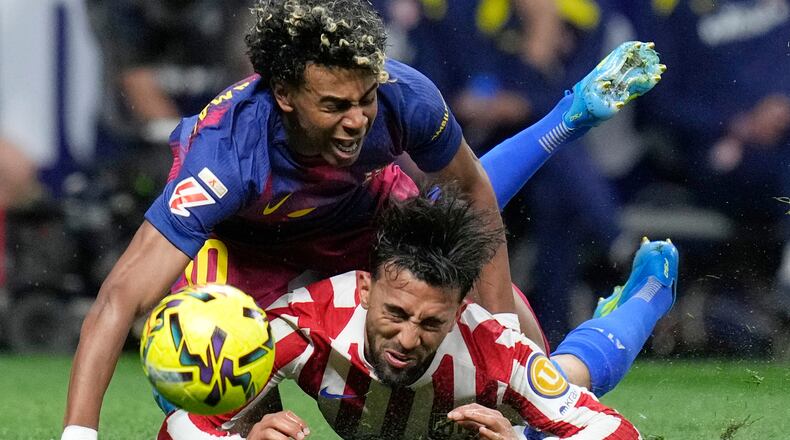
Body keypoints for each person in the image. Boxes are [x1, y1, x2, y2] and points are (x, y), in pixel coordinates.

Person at [61, 0, 663, 437]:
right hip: (243, 246)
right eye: (334, 105)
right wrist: (80, 437)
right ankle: (571, 120)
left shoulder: (405, 97)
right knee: (211, 381)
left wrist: (497, 334)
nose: (356, 120)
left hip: (358, 221)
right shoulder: (224, 157)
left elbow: (472, 198)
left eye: (364, 100)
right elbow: (120, 299)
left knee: (535, 368)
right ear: (284, 96)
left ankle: (630, 281)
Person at [157, 186, 677, 439]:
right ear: (365, 288)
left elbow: (616, 433)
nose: (407, 339)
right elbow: (181, 420)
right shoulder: (304, 324)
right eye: (396, 314)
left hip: (491, 407)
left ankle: (648, 298)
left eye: (431, 323)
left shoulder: (493, 349)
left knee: (568, 378)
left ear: (458, 311)